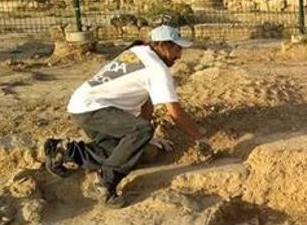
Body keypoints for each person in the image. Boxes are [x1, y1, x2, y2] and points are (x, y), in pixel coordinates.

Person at [44, 25, 209, 208]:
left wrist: (145, 139)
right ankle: (105, 184)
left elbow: (147, 102)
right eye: (177, 49)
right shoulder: (156, 69)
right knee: (141, 130)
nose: (179, 56)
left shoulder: (139, 51)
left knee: (124, 151)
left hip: (83, 106)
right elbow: (174, 113)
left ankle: (65, 151)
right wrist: (201, 138)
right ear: (162, 44)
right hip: (94, 109)